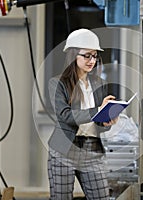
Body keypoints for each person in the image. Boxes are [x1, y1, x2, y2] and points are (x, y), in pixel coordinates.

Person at [47, 28, 117, 200]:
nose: (92, 60)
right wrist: (97, 111)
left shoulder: (99, 83)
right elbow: (65, 116)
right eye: (87, 55)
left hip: (92, 150)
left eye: (94, 56)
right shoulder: (58, 83)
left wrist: (106, 120)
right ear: (73, 55)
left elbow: (96, 123)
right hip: (64, 150)